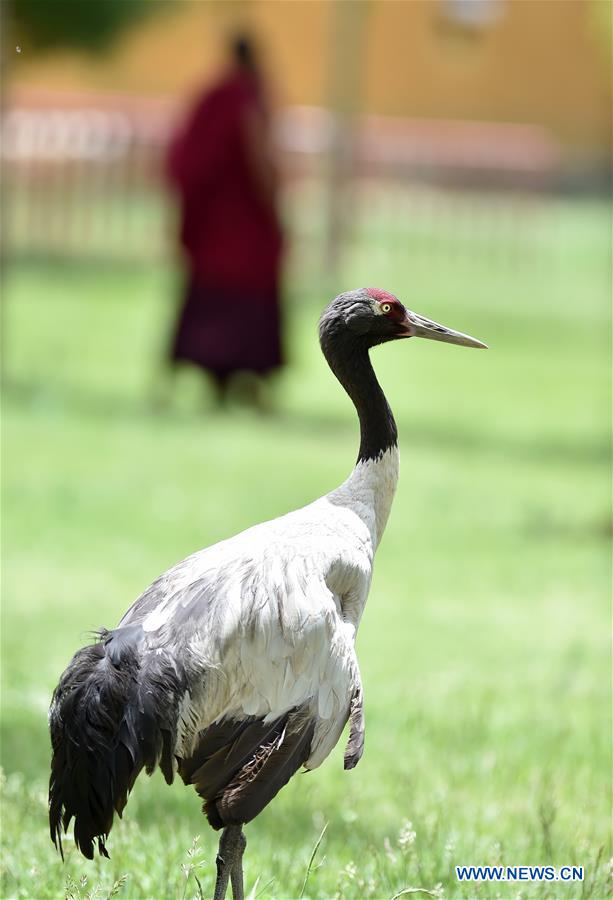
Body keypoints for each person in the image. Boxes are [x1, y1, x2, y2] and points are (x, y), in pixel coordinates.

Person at [165, 35, 284, 407]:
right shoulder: (245, 100)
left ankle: (228, 385)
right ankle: (240, 383)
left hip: (221, 226)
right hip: (240, 226)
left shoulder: (217, 96)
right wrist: (275, 206)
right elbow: (258, 157)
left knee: (215, 292)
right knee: (243, 294)